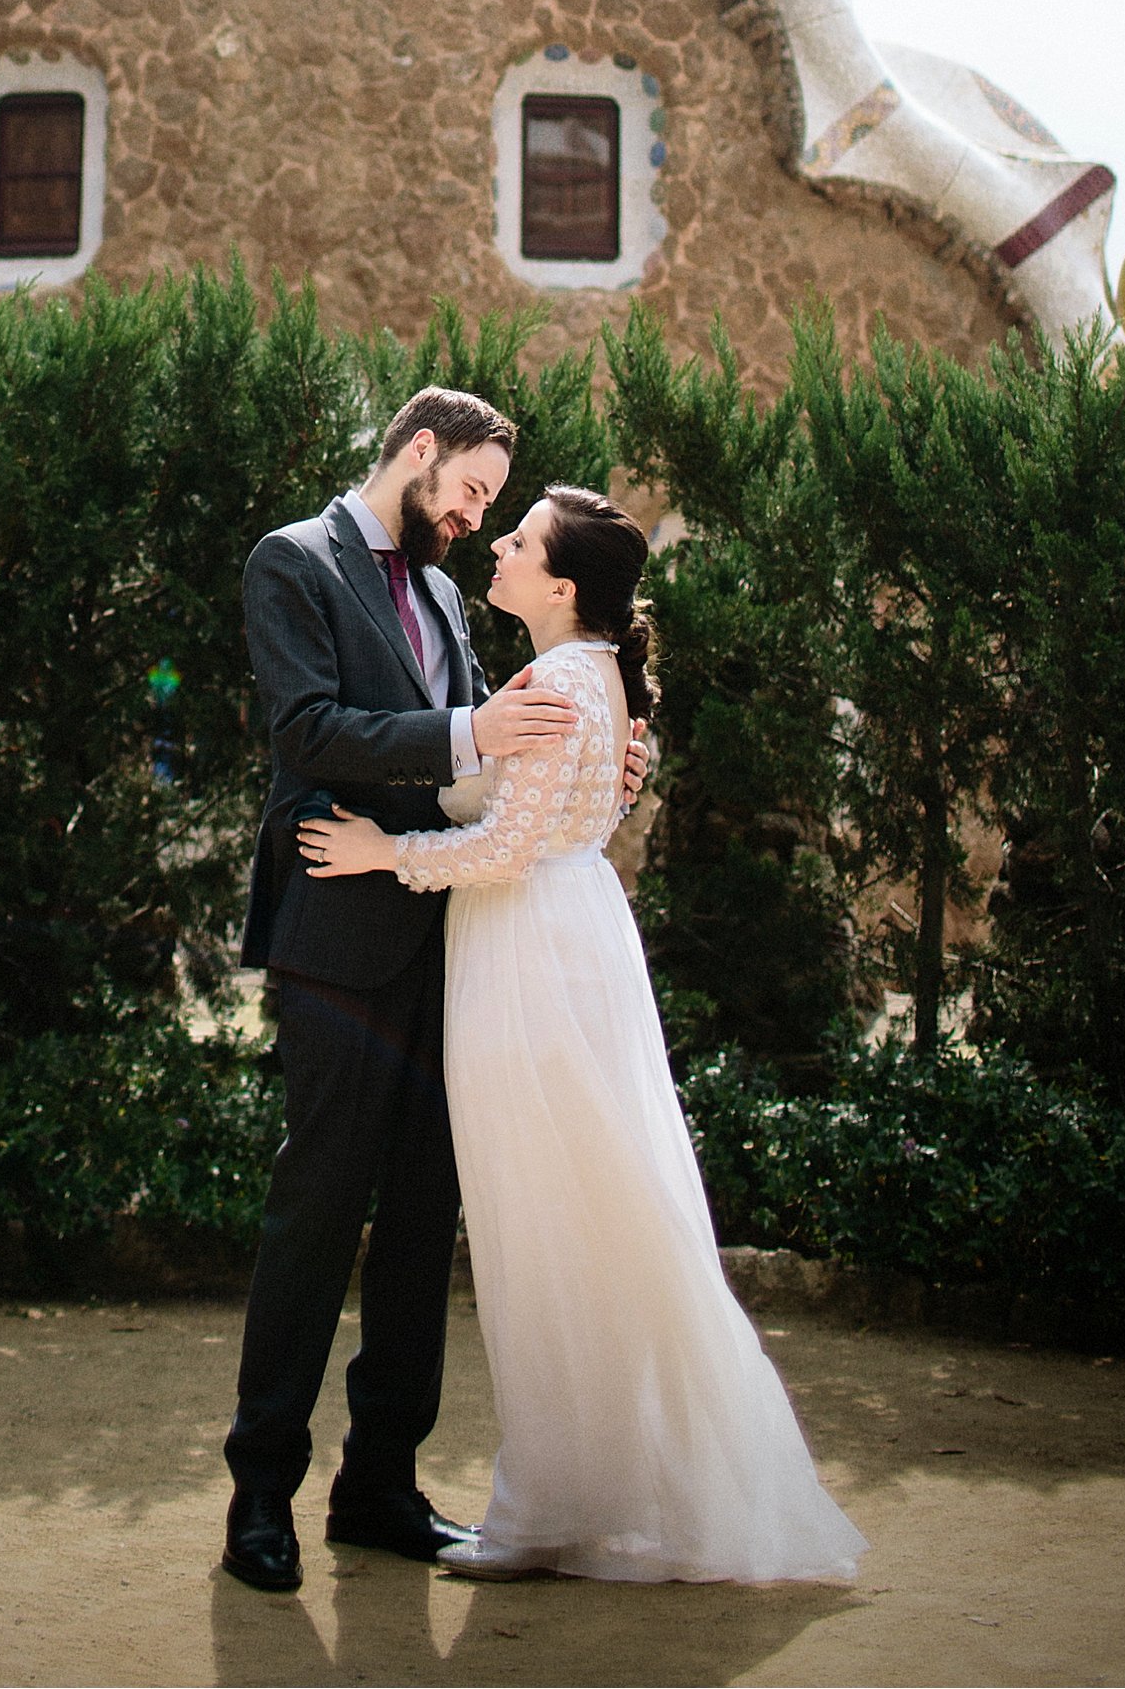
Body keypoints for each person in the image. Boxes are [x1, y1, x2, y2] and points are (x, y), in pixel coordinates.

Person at [300, 484, 866, 1587]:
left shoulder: (561, 677)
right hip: (560, 941)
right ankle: (583, 1491)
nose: (496, 547)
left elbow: (505, 844)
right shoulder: (584, 673)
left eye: (516, 541)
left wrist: (379, 851)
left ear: (560, 586)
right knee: (578, 1219)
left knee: (545, 1228)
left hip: (527, 956)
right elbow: (513, 807)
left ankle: (550, 1508)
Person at [221, 390, 651, 1595]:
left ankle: (379, 1486)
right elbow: (308, 728)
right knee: (316, 1212)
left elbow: (494, 765)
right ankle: (260, 1494)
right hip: (336, 936)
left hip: (458, 946)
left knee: (419, 1225)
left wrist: (598, 758)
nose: (471, 519)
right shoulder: (291, 563)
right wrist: (473, 724)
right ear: (418, 451)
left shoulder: (450, 595)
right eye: (465, 492)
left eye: (488, 509)